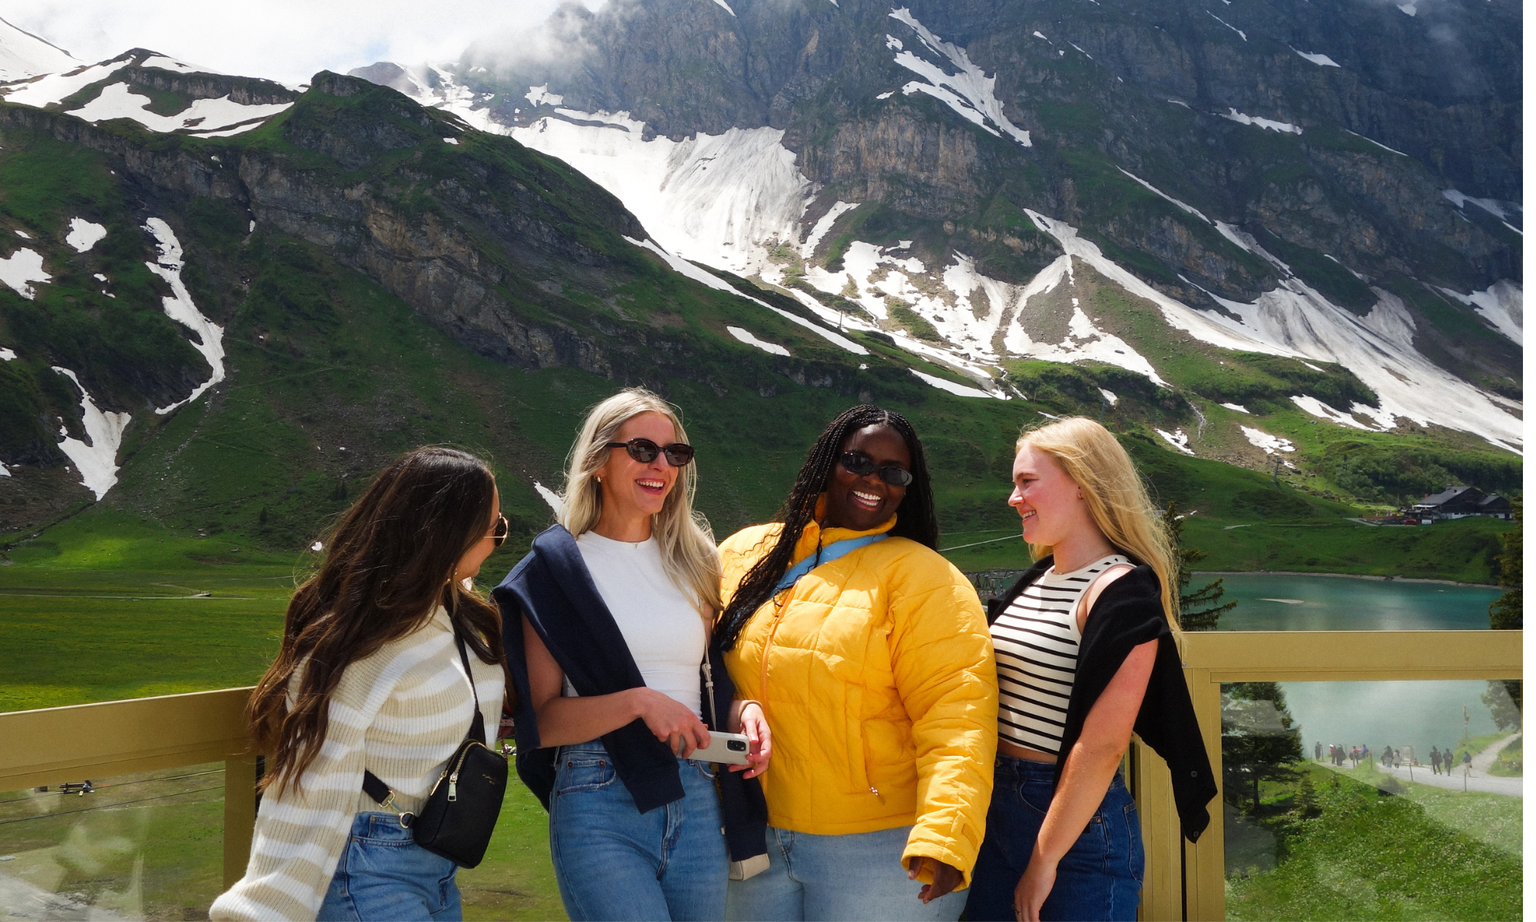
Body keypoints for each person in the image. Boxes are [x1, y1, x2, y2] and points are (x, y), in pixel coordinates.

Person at [495, 388, 771, 922]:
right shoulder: (555, 571)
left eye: (675, 454)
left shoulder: (697, 564)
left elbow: (709, 686)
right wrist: (639, 703)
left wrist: (746, 714)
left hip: (696, 791)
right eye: (643, 449)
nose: (661, 465)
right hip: (599, 796)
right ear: (599, 460)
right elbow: (542, 722)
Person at [715, 405, 998, 921]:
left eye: (894, 472)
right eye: (858, 461)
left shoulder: (925, 578)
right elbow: (695, 664)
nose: (875, 480)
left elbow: (957, 718)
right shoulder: (743, 554)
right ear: (827, 462)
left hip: (878, 850)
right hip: (749, 829)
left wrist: (945, 838)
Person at [211, 447, 508, 921]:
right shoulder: (365, 644)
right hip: (368, 868)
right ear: (448, 532)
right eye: (495, 527)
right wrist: (259, 909)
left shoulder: (451, 613)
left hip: (436, 867)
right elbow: (312, 776)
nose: (498, 539)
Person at [966, 417, 1217, 922]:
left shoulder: (1122, 591)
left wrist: (1044, 859)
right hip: (995, 809)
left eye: (1027, 482)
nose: (1013, 498)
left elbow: (1102, 746)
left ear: (1082, 485)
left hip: (1072, 831)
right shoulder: (1038, 578)